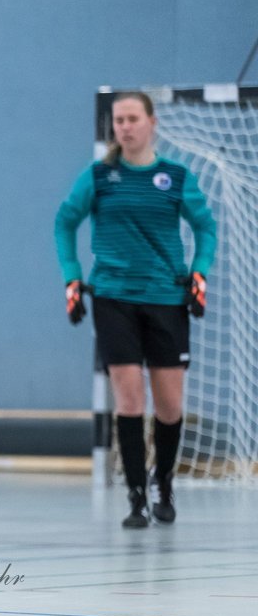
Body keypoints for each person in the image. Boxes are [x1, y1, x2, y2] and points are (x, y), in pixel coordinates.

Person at [55, 91, 216, 528]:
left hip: (165, 299)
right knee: (128, 397)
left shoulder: (175, 177)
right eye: (118, 120)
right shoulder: (100, 177)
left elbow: (206, 227)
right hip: (113, 298)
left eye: (132, 118)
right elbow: (65, 221)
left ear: (151, 123)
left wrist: (199, 273)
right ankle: (135, 495)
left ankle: (163, 481)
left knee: (168, 405)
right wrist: (72, 276)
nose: (124, 127)